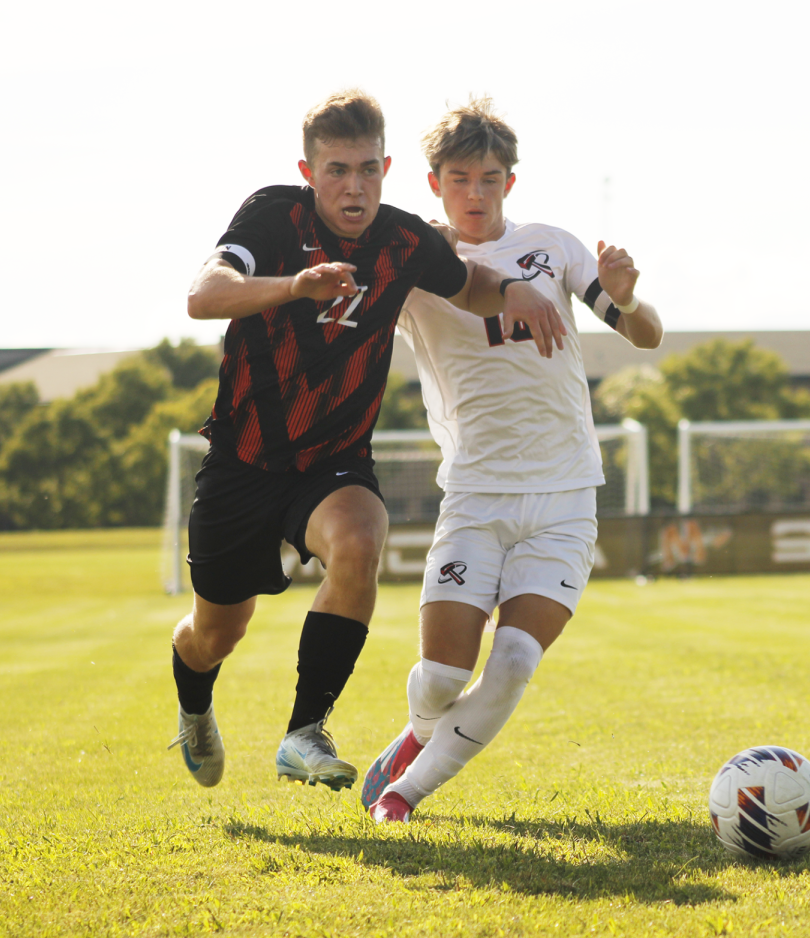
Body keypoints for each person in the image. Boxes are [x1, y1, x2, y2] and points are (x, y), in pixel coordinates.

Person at [170, 89, 566, 792]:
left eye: (366, 170)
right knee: (212, 636)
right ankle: (195, 708)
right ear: (308, 169)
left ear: (385, 167)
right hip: (244, 461)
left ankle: (304, 731)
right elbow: (204, 295)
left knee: (360, 539)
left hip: (334, 461)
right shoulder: (273, 216)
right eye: (336, 171)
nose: (353, 187)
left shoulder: (405, 240)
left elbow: (464, 278)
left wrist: (513, 292)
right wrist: (296, 285)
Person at [360, 97, 664, 822]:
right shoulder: (416, 262)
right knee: (438, 676)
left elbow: (644, 335)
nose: (475, 193)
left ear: (509, 183)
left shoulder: (551, 245)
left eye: (490, 178)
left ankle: (404, 794)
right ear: (434, 183)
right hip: (475, 495)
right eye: (460, 178)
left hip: (565, 495)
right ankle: (420, 732)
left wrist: (628, 297)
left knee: (517, 659)